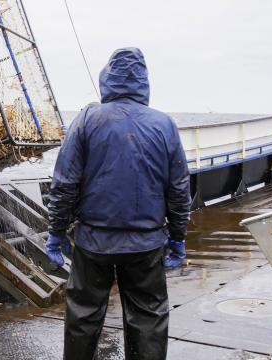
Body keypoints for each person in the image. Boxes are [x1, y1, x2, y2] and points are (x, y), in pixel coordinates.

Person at [46, 48, 191, 360]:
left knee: (83, 316)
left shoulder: (86, 118)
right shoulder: (164, 125)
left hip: (93, 242)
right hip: (146, 244)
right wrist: (178, 236)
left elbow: (65, 182)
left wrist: (56, 231)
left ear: (106, 79)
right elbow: (179, 187)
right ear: (144, 82)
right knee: (149, 317)